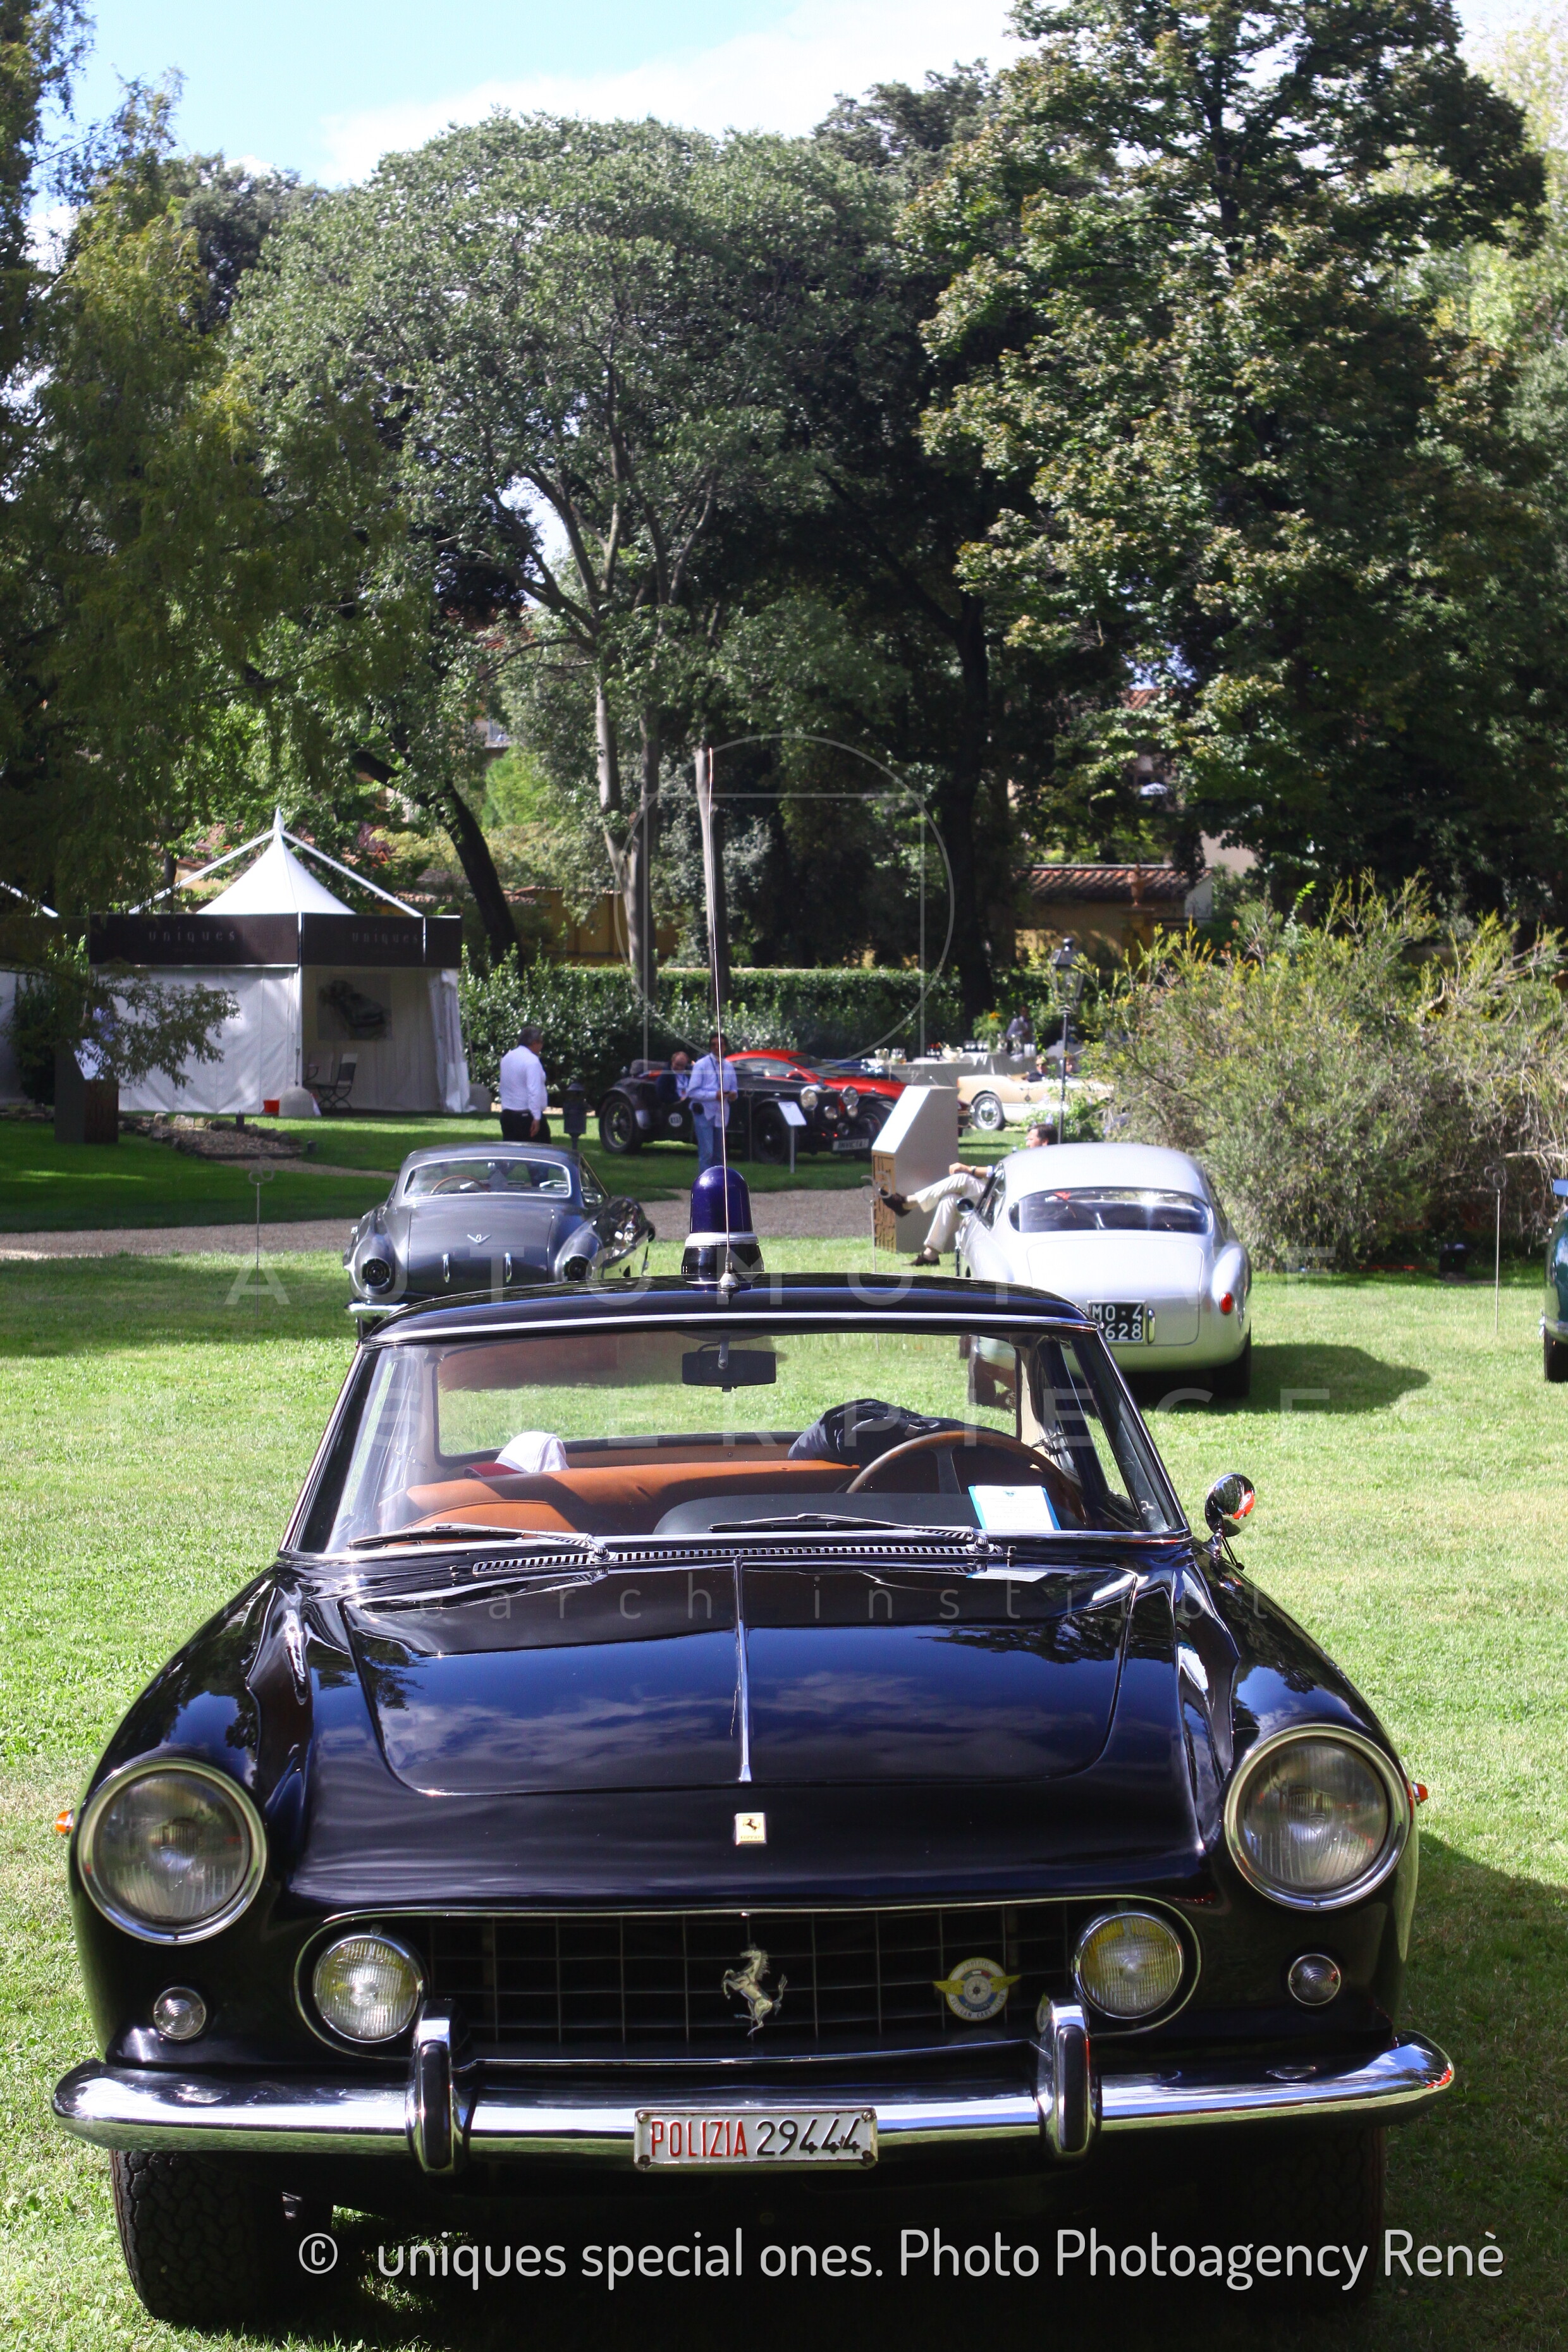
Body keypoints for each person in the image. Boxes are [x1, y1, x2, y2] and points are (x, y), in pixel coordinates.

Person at [879, 1161, 989, 1267]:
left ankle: (907, 1203)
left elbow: (997, 1173)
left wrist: (970, 1169)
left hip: (996, 1204)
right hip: (992, 1196)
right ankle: (931, 1255)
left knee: (962, 1179)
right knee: (950, 1199)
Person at [685, 1031, 737, 1175]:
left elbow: (734, 1089)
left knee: (720, 1155)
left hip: (721, 1113)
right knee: (707, 1153)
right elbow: (692, 1092)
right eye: (713, 1044)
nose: (717, 1047)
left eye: (720, 1044)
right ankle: (704, 1184)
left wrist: (733, 1095)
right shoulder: (701, 1065)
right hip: (704, 1112)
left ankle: (717, 1183)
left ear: (725, 1047)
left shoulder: (729, 1066)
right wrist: (714, 1095)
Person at [498, 1025, 549, 1142]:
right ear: (534, 1043)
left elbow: (503, 1087)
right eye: (541, 1043)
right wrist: (536, 1117)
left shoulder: (507, 1058)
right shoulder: (532, 1061)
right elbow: (534, 1090)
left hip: (508, 1115)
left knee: (512, 1150)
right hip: (527, 1116)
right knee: (541, 1150)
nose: (541, 1047)